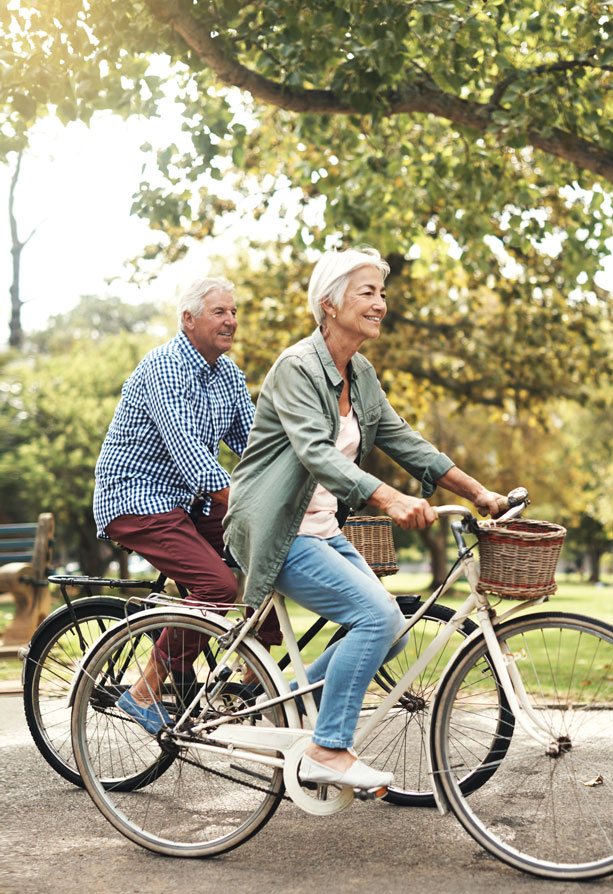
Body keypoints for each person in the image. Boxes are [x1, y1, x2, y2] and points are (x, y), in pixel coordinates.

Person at [224, 248, 507, 792]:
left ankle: (274, 698)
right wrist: (388, 499)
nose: (381, 303)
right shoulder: (296, 368)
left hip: (321, 527)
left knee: (392, 628)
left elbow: (404, 440)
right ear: (329, 304)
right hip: (276, 529)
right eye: (368, 292)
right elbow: (316, 453)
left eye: (382, 292)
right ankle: (328, 749)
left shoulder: (360, 372)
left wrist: (477, 493)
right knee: (376, 617)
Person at [93, 276, 280, 733]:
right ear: (188, 319)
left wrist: (302, 489)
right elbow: (195, 461)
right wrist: (250, 503)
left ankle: (257, 674)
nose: (232, 321)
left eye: (234, 312)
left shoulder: (229, 374)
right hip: (135, 497)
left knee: (274, 547)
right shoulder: (165, 367)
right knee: (218, 588)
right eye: (220, 312)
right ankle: (144, 690)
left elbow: (256, 448)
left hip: (185, 503)